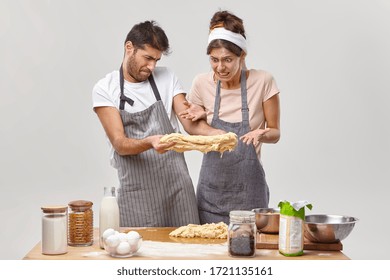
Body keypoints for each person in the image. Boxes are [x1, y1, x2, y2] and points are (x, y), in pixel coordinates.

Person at [92, 20, 216, 227]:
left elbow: (189, 124)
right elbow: (120, 144)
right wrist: (150, 142)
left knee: (188, 251)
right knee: (139, 253)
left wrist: (218, 133)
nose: (152, 67)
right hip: (136, 193)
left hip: (177, 189)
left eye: (156, 60)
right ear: (129, 47)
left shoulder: (166, 77)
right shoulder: (105, 89)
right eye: (147, 58)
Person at [180, 11, 281, 224]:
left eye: (227, 60)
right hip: (211, 196)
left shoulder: (263, 81)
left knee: (248, 253)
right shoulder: (201, 83)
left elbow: (275, 133)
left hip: (250, 195)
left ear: (242, 55)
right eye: (214, 60)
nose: (220, 67)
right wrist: (202, 114)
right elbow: (192, 126)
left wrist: (261, 134)